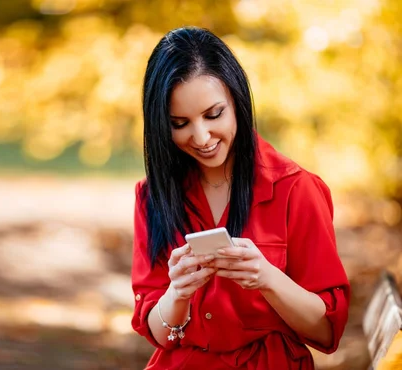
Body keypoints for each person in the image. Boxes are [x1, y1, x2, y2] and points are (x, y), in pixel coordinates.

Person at [130, 27, 350, 369]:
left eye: (213, 115)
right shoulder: (153, 195)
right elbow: (159, 335)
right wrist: (178, 293)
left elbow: (326, 334)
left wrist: (266, 277)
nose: (201, 137)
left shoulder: (295, 189)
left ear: (238, 102)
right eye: (180, 123)